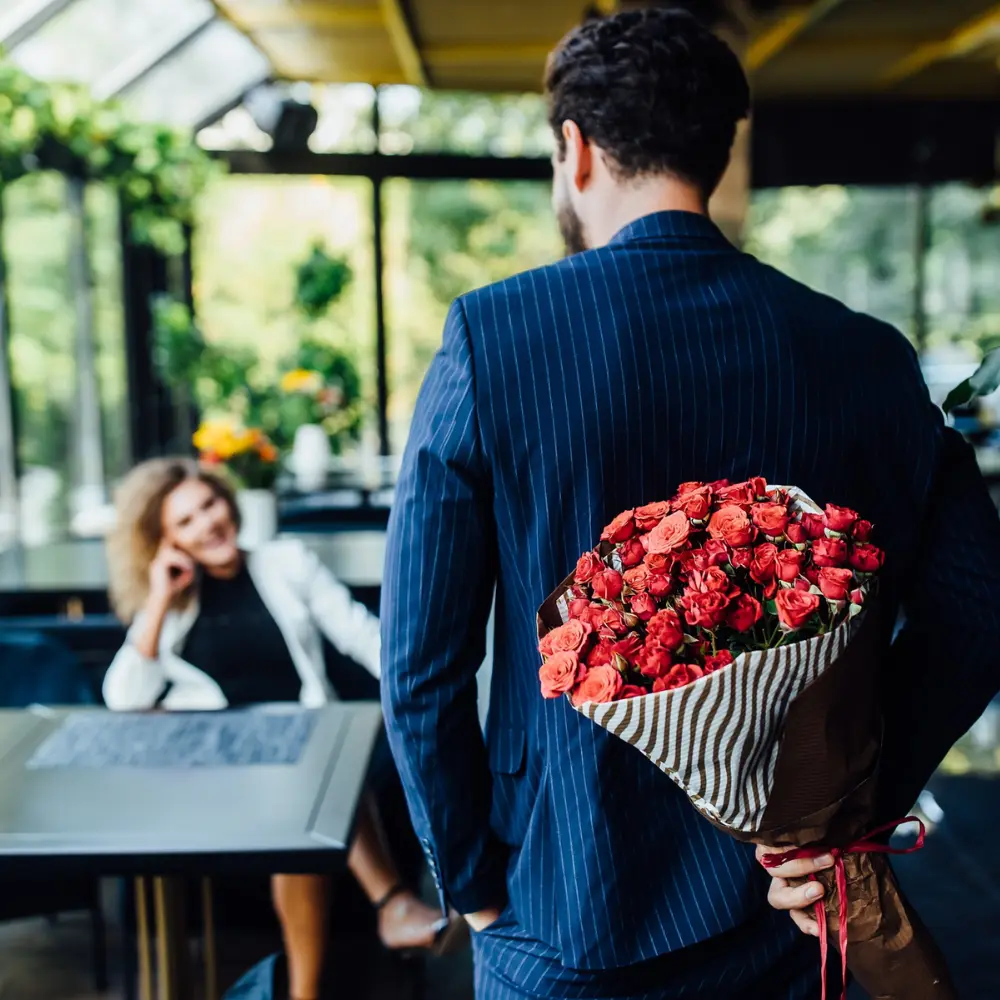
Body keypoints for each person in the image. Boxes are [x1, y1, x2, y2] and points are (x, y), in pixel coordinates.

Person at [379, 8, 1000, 1000]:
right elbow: (976, 610)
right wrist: (844, 807)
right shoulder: (864, 355)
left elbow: (421, 660)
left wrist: (470, 882)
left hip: (561, 903)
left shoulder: (492, 339)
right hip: (790, 907)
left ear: (574, 151)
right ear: (718, 149)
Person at [103, 457, 464, 1000]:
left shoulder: (285, 561)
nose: (207, 524)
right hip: (213, 768)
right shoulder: (170, 605)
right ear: (163, 540)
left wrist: (418, 690)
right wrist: (157, 597)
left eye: (210, 505)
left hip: (301, 752)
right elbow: (123, 698)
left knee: (316, 776)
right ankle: (391, 904)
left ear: (229, 502)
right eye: (185, 522)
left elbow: (363, 636)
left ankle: (307, 989)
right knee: (315, 777)